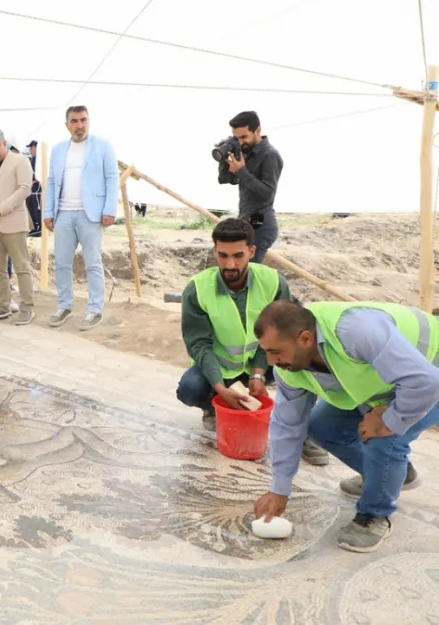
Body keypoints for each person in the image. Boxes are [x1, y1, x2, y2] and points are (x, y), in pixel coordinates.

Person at [252, 300, 439, 552]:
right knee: (321, 426)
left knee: (384, 438)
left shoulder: (355, 332)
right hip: (392, 380)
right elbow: (287, 425)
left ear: (306, 339)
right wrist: (279, 489)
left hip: (428, 374)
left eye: (276, 351)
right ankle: (391, 475)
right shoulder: (290, 367)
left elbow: (426, 382)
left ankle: (374, 515)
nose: (271, 362)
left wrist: (390, 420)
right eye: (266, 352)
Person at [176, 218, 328, 465]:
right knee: (190, 389)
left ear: (252, 252)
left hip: (266, 362)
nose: (230, 264)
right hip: (222, 369)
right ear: (215, 251)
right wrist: (219, 387)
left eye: (238, 255)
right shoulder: (197, 289)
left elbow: (283, 336)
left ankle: (305, 432)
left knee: (304, 367)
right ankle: (214, 406)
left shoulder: (274, 282)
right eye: (223, 256)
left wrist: (258, 374)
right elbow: (199, 344)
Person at [43, 105, 118, 331]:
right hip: (64, 213)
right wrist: (48, 212)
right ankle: (64, 306)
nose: (79, 125)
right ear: (67, 125)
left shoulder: (102, 146)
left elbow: (112, 178)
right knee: (61, 264)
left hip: (91, 214)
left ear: (89, 121)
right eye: (74, 121)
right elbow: (52, 181)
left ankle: (95, 309)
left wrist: (109, 209)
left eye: (83, 120)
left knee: (93, 263)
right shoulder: (58, 150)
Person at [0, 128, 36, 325]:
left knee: (21, 267)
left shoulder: (21, 161)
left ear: (4, 144)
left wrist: (0, 209)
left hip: (14, 222)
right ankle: (2, 305)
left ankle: (27, 308)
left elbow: (25, 189)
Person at [216, 110, 283, 264]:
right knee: (242, 270)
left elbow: (267, 192)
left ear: (257, 130)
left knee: (249, 270)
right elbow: (226, 179)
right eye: (237, 138)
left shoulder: (270, 155)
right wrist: (223, 159)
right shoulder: (245, 152)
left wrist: (242, 172)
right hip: (246, 221)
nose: (240, 142)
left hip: (260, 223)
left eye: (244, 137)